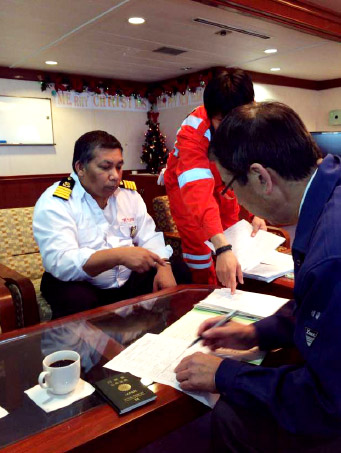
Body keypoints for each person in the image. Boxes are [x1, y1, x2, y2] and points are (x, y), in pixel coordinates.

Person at [175, 102, 341, 452]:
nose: (233, 197)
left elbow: (326, 403)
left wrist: (224, 375)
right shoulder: (330, 188)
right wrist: (255, 332)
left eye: (230, 186)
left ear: (262, 178)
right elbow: (314, 308)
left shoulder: (331, 256)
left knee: (233, 416)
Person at [33, 130, 180, 319]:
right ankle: (99, 347)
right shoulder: (57, 202)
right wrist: (118, 256)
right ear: (80, 168)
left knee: (178, 270)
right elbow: (62, 262)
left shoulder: (129, 195)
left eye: (119, 167)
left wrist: (164, 266)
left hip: (126, 279)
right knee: (76, 300)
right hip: (80, 282)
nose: (115, 176)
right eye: (105, 167)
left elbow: (149, 236)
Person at [164, 68, 266, 291]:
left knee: (233, 234)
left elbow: (251, 171)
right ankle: (204, 295)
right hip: (186, 189)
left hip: (224, 183)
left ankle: (233, 289)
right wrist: (220, 248)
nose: (230, 129)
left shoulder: (252, 122)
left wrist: (256, 211)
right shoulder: (193, 132)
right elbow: (197, 192)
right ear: (211, 115)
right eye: (222, 121)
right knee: (200, 246)